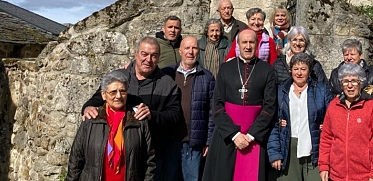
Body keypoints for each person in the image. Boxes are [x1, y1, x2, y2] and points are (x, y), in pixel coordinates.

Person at [81, 37, 182, 181]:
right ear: (135, 54)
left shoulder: (168, 84)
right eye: (144, 54)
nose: (148, 59)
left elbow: (175, 116)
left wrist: (152, 115)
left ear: (159, 58)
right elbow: (98, 97)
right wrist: (87, 107)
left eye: (154, 55)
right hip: (115, 154)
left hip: (150, 157)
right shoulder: (118, 76)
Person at [203, 29, 277, 181]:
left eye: (251, 42)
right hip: (227, 135)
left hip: (254, 136)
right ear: (238, 44)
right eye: (244, 42)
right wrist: (234, 135)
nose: (248, 46)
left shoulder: (267, 70)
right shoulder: (225, 69)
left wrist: (250, 136)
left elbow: (269, 107)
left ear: (257, 45)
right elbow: (217, 105)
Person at [67, 69, 155, 181]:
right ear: (103, 95)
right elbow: (76, 157)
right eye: (113, 92)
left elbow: (149, 160)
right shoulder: (92, 119)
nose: (118, 96)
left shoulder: (138, 121)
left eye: (122, 91)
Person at [267, 53, 333, 181]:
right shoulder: (280, 91)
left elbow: (333, 114)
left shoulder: (321, 90)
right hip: (288, 147)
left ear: (309, 72)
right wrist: (275, 154)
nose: (299, 73)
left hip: (314, 148)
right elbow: (272, 123)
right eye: (296, 69)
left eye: (303, 69)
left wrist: (327, 125)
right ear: (290, 70)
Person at [318, 63, 373, 181]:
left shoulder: (372, 106)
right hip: (336, 175)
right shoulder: (334, 105)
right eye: (346, 81)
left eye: (354, 81)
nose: (350, 85)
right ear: (341, 84)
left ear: (361, 83)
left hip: (364, 176)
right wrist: (324, 165)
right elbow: (326, 138)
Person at [162, 36, 215, 181]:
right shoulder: (167, 74)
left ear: (199, 51)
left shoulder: (207, 77)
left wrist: (208, 141)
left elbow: (212, 112)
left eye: (194, 48)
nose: (190, 52)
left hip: (194, 143)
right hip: (169, 141)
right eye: (187, 48)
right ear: (180, 51)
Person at [329, 38, 373, 110]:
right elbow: (328, 96)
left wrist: (366, 102)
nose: (349, 58)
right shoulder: (335, 73)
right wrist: (337, 98)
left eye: (352, 54)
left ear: (360, 55)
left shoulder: (372, 73)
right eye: (346, 55)